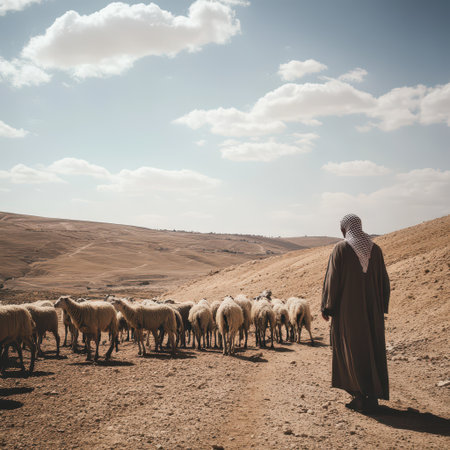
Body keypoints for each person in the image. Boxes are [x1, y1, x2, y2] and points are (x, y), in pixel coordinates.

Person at [321, 213, 390, 413]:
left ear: (345, 229)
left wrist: (327, 307)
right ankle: (372, 396)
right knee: (371, 349)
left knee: (350, 349)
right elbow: (385, 282)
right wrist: (380, 308)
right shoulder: (376, 250)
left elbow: (332, 279)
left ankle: (359, 397)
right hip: (372, 313)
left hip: (348, 312)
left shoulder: (341, 249)